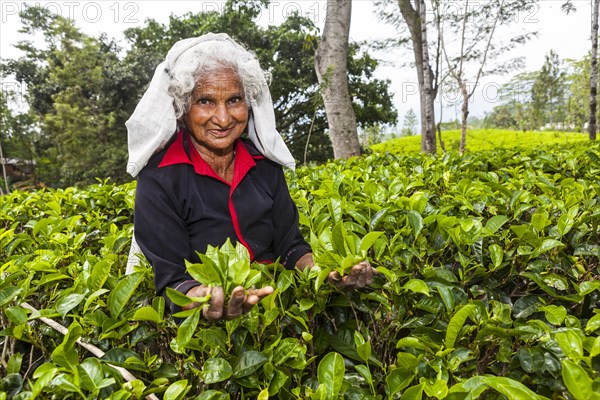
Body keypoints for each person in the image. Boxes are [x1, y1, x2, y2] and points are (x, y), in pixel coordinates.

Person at [126, 33, 377, 321]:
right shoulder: (160, 179)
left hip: (278, 315)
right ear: (183, 108)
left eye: (234, 100)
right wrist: (206, 299)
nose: (222, 118)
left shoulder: (265, 166)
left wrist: (328, 273)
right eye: (206, 101)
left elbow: (291, 246)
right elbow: (173, 280)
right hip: (204, 338)